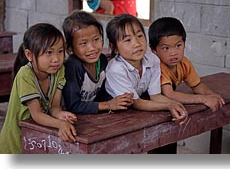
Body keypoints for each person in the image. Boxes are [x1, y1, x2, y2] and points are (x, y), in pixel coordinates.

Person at [0, 23, 77, 154]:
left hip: (35, 138)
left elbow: (54, 106)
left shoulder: (59, 71)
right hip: (15, 143)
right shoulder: (25, 74)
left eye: (60, 51)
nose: (56, 59)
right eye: (48, 52)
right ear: (29, 55)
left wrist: (60, 115)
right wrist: (59, 124)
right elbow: (36, 114)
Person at [105, 14, 188, 123]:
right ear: (114, 48)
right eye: (128, 40)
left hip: (136, 110)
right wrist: (168, 105)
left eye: (139, 36)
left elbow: (155, 95)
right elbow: (136, 103)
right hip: (111, 114)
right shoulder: (116, 69)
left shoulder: (152, 59)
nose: (137, 44)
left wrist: (176, 106)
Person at [62, 10, 133, 114]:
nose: (92, 48)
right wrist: (108, 104)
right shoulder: (72, 67)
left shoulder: (102, 61)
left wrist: (122, 99)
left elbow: (101, 94)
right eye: (83, 43)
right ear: (70, 47)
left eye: (96, 39)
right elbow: (73, 105)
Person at [148, 17, 225, 112]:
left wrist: (211, 94)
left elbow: (197, 85)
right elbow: (169, 94)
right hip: (144, 104)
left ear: (184, 43)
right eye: (166, 48)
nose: (173, 53)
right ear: (153, 50)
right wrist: (203, 99)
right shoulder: (157, 66)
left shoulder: (184, 63)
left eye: (178, 45)